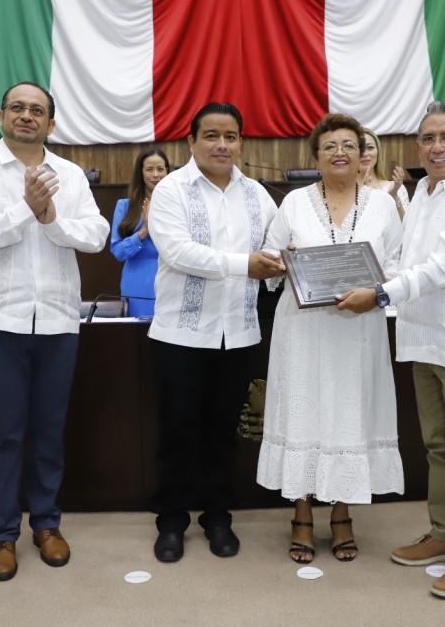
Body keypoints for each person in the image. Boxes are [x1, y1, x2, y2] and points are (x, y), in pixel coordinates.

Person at [338, 102, 445, 599]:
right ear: (418, 146)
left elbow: (440, 269)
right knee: (439, 448)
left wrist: (380, 293)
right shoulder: (422, 193)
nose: (437, 147)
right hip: (424, 340)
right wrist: (371, 279)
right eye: (429, 138)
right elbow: (403, 261)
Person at [0, 81, 109, 582]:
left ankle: (46, 524)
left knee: (47, 431)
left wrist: (50, 217)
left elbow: (96, 235)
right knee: (6, 433)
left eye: (36, 110)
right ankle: (2, 533)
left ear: (51, 123)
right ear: (1, 116)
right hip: (0, 320)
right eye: (17, 107)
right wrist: (25, 209)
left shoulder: (70, 174)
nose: (26, 116)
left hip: (59, 321)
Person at [256, 114, 404, 564]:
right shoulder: (295, 204)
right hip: (302, 328)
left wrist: (375, 293)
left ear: (363, 156)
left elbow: (397, 265)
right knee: (304, 411)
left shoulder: (382, 206)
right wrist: (283, 263)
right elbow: (267, 257)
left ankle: (341, 513)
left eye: (349, 145)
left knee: (350, 414)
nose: (339, 152)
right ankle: (301, 513)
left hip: (360, 329)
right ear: (315, 157)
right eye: (329, 146)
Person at [146, 102, 283, 563]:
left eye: (230, 136)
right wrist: (244, 265)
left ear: (241, 142)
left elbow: (275, 248)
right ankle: (170, 520)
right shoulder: (171, 190)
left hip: (240, 334)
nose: (221, 145)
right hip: (181, 335)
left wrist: (287, 260)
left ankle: (218, 516)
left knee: (225, 432)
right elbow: (180, 253)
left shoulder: (258, 195)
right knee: (178, 431)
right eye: (211, 135)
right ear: (191, 141)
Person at [110, 148, 170, 317]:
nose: (155, 175)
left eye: (160, 169)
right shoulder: (124, 206)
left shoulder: (179, 205)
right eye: (149, 169)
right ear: (141, 173)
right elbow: (119, 252)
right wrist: (144, 231)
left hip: (172, 278)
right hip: (138, 280)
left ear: (167, 171)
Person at [360, 128, 409, 220]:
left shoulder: (395, 187)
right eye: (360, 148)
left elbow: (406, 227)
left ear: (378, 152)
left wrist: (394, 196)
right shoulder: (345, 191)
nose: (365, 153)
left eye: (370, 147)